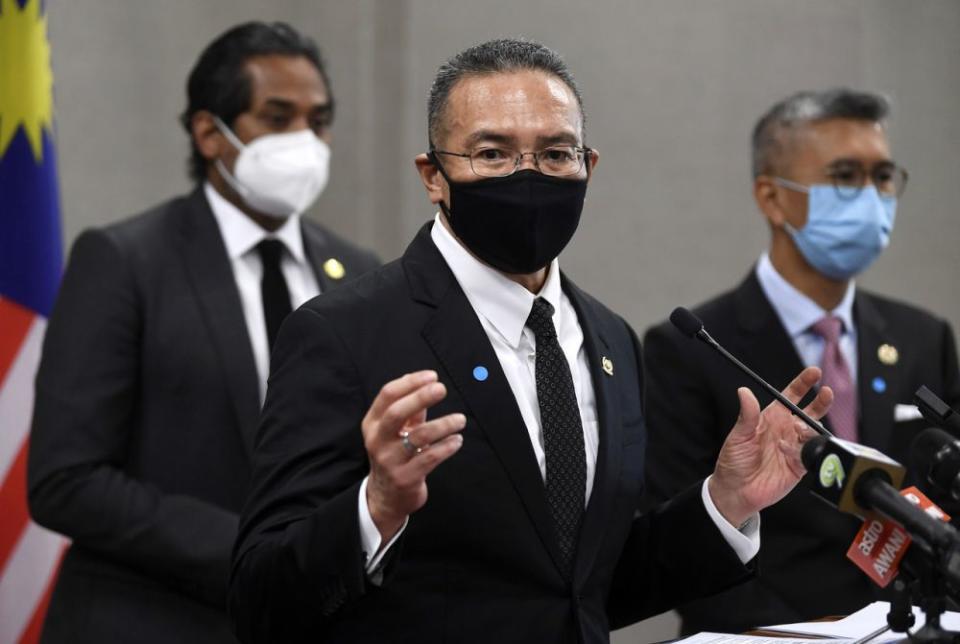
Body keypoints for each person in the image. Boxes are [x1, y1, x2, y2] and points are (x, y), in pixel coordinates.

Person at [228, 39, 832, 644]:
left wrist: (724, 504)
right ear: (433, 176)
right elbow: (260, 596)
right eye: (491, 154)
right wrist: (374, 508)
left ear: (587, 167)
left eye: (555, 153)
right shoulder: (342, 332)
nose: (529, 176)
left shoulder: (611, 339)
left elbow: (582, 590)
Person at [27, 21, 379, 644]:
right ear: (208, 133)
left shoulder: (357, 274)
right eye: (277, 118)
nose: (305, 140)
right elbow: (66, 481)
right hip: (151, 620)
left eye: (318, 120)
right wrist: (258, 554)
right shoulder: (125, 261)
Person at [643, 88, 960, 634]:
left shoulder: (923, 337)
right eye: (844, 176)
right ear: (771, 197)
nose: (871, 197)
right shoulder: (693, 347)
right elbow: (678, 539)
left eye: (883, 177)